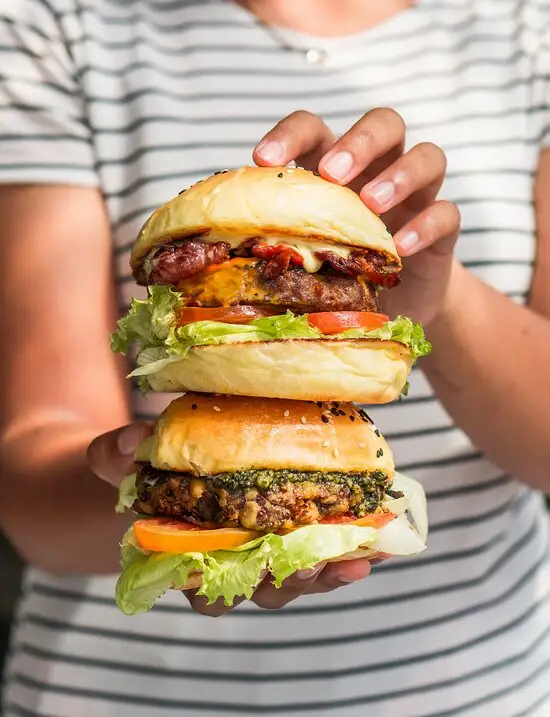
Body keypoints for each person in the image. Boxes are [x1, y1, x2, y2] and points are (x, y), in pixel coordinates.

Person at [1, 0, 549, 714]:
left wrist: (440, 297)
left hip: (475, 689)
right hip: (121, 693)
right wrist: (176, 511)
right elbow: (28, 488)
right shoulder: (61, 22)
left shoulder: (528, 27)